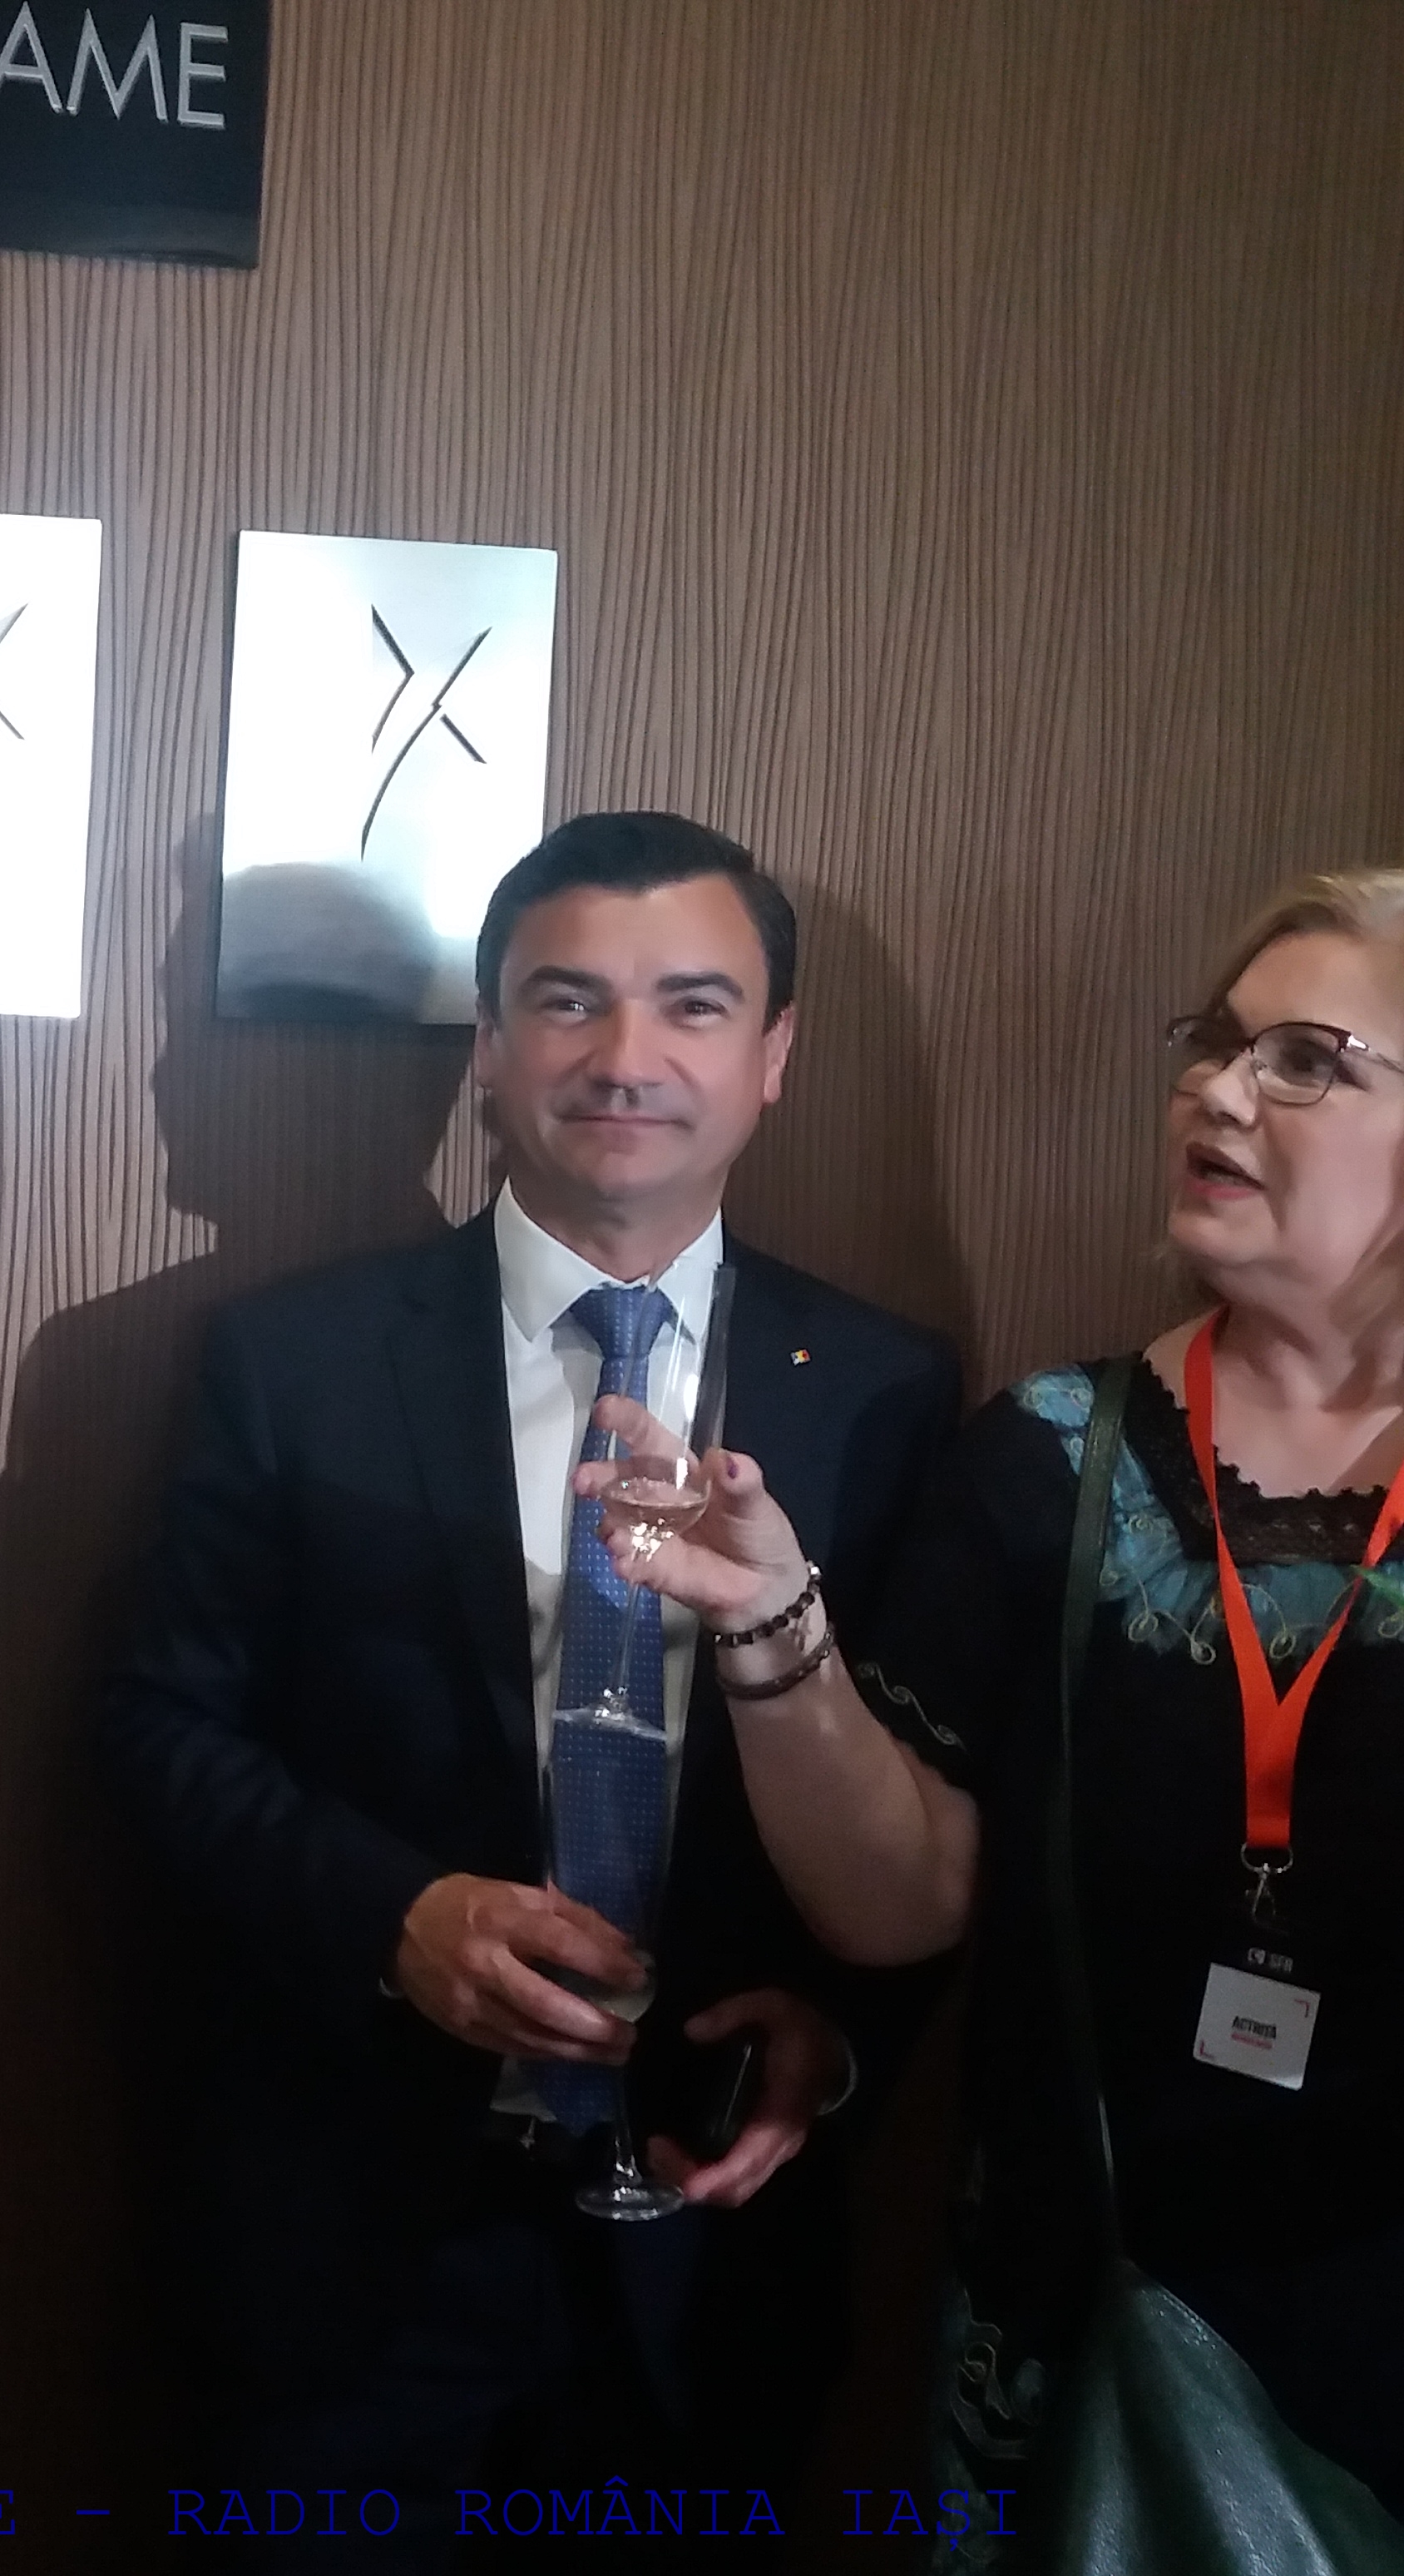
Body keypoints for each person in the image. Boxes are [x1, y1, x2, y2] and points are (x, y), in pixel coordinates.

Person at [96, 812, 959, 2559]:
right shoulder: (292, 1360)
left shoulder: (886, 1388)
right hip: (354, 2242)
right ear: (487, 1045)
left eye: (694, 1006)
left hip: (712, 2246)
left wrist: (837, 2040)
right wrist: (395, 1917)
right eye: (569, 1002)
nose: (626, 1057)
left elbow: (946, 1791)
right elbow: (152, 1731)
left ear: (775, 1054)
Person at [598, 869, 1404, 2527]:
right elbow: (899, 1903)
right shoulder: (1049, 1453)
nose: (1217, 1090)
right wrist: (773, 1621)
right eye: (1215, 1044)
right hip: (1085, 2310)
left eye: (1304, 1061)